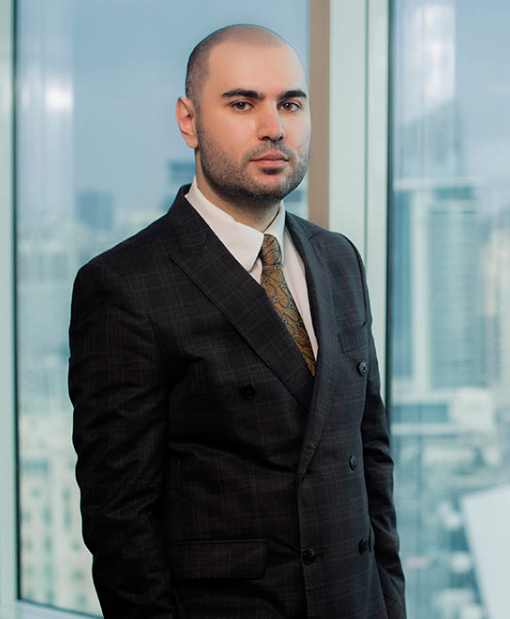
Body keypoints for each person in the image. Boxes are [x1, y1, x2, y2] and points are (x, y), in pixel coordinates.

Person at [68, 24, 406, 619]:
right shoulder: (125, 285)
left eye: (290, 104)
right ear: (189, 121)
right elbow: (120, 522)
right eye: (243, 103)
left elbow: (369, 455)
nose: (273, 127)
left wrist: (390, 604)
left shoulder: (339, 259)